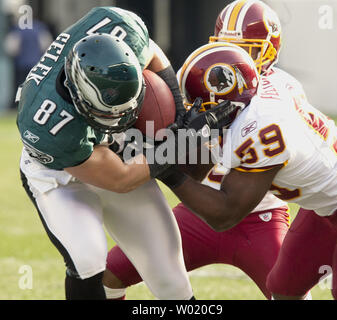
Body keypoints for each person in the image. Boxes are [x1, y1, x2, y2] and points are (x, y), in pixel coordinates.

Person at [16, 6, 234, 300]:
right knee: (87, 258)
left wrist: (179, 114)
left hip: (119, 153)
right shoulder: (47, 121)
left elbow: (152, 52)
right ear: (80, 96)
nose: (123, 118)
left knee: (170, 277)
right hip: (61, 174)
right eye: (109, 113)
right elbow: (120, 179)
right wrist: (182, 140)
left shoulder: (121, 29)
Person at [102, 1, 294, 300]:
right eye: (229, 47)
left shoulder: (280, 93)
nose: (235, 58)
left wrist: (173, 157)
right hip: (200, 211)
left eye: (247, 49)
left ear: (269, 50)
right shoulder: (201, 74)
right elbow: (195, 160)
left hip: (261, 218)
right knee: (108, 276)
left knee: (290, 294)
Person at [4, 14, 53, 109]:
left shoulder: (17, 28)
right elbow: (46, 45)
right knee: (35, 88)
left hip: (21, 65)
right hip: (36, 64)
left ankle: (19, 107)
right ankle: (35, 107)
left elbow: (12, 48)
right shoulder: (39, 27)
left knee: (19, 89)